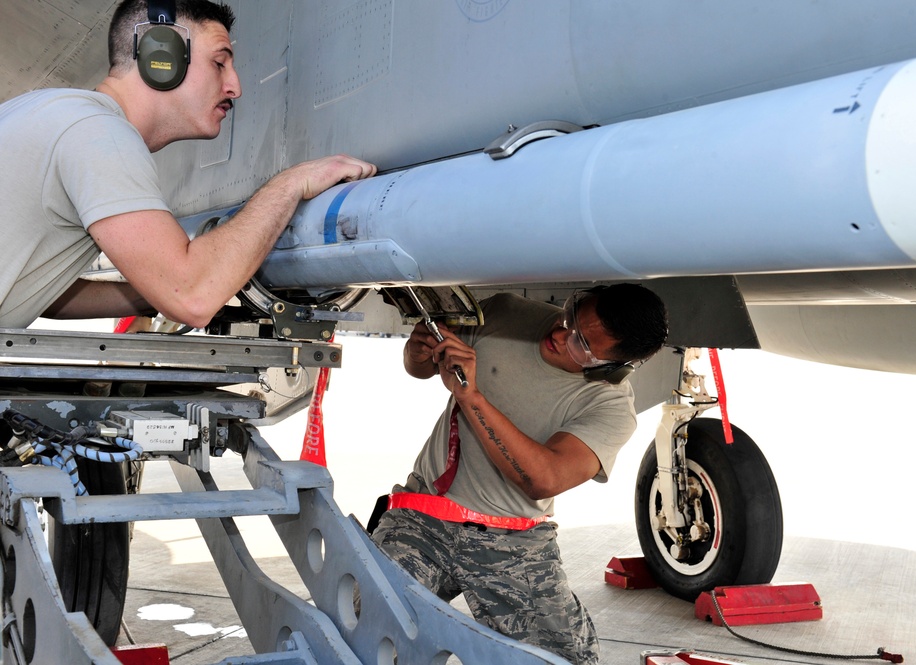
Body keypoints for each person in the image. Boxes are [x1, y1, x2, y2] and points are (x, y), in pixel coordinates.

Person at [0, 0, 376, 329]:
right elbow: (193, 297)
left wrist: (154, 290)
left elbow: (37, 290)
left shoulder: (50, 111)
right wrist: (291, 183)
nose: (235, 87)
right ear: (160, 57)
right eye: (218, 63)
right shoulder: (98, 133)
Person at [370, 284, 668, 664]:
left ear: (610, 367)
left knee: (566, 659)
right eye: (571, 315)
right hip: (423, 518)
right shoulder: (503, 313)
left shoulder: (608, 406)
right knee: (361, 626)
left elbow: (543, 477)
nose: (560, 334)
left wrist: (471, 397)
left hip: (513, 541)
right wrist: (419, 352)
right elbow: (422, 366)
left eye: (581, 345)